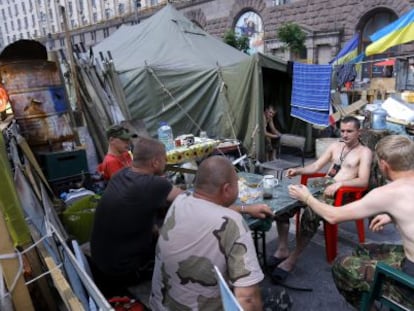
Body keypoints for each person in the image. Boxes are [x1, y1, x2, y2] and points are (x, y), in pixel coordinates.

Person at [91, 138, 272, 296]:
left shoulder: (121, 175)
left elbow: (133, 210)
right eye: (164, 159)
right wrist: (247, 208)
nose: (166, 162)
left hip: (101, 258)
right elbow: (198, 204)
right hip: (123, 270)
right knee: (198, 245)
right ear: (155, 162)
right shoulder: (155, 184)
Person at [288, 135, 414, 309]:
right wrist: (392, 216)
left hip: (410, 280)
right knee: (364, 249)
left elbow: (333, 216)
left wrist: (307, 198)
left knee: (341, 267)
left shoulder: (388, 193)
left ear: (384, 165)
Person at [150, 156, 286, 310]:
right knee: (280, 298)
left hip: (160, 306)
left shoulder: (181, 200)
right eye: (237, 184)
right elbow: (247, 299)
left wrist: (246, 209)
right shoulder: (233, 223)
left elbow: (209, 207)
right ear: (227, 189)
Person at [270, 116, 373, 281]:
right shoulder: (335, 146)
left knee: (310, 214)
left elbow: (363, 181)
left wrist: (340, 184)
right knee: (284, 200)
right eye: (343, 130)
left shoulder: (365, 152)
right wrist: (299, 171)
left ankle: (293, 257)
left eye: (349, 131)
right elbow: (316, 166)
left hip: (342, 194)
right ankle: (283, 247)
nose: (345, 134)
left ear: (358, 132)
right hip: (321, 185)